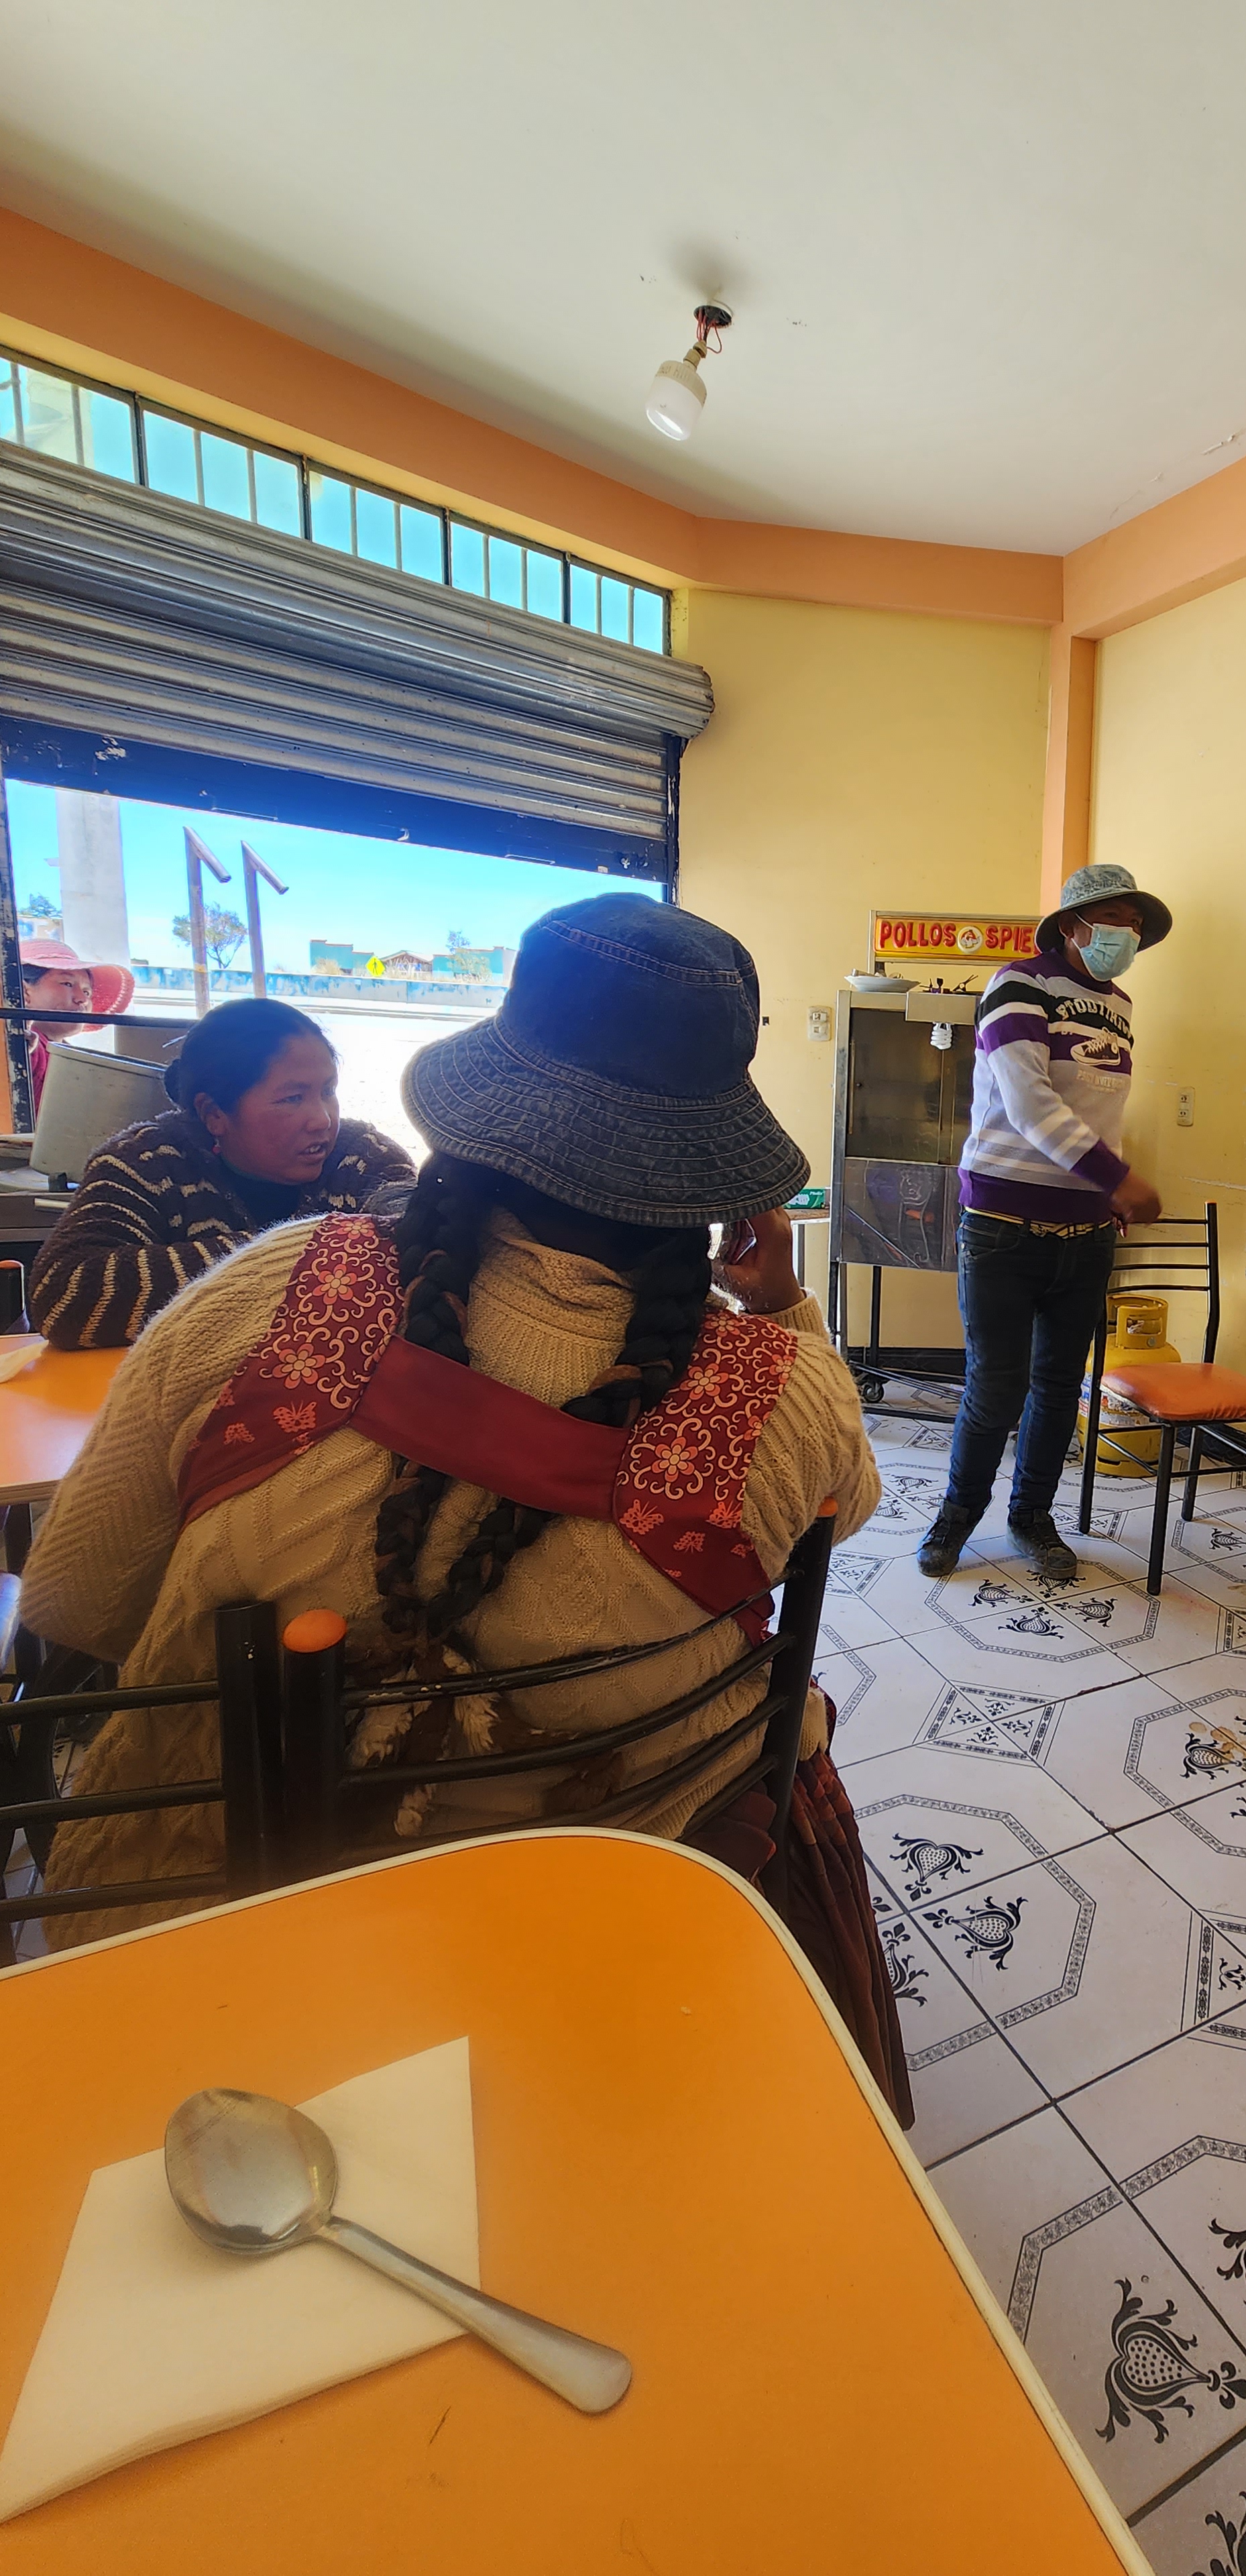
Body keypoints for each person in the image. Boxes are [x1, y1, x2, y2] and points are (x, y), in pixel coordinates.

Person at [21, 896, 909, 2116]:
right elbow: (841, 1510)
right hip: (615, 1943)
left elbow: (79, 1601)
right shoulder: (788, 1392)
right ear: (713, 1179)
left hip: (244, 1946)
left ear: (479, 1115)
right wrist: (784, 1312)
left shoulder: (270, 1289)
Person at [918, 862, 1170, 1585]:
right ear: (1072, 926)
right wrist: (1119, 1181)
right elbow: (1029, 1104)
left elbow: (1098, 1115)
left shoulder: (1120, 1004)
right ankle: (957, 1516)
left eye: (1136, 924)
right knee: (995, 1388)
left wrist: (1103, 1193)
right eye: (1115, 919)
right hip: (1002, 1225)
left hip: (1086, 1235)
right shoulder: (1018, 985)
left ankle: (1031, 1516)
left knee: (1059, 1388)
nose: (1128, 934)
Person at [27, 997, 412, 1348]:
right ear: (214, 1114)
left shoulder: (365, 1159)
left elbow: (418, 1254)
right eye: (293, 1098)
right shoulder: (147, 1163)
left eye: (328, 1090)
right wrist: (308, 1252)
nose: (322, 1120)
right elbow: (62, 1297)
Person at [17, 934, 135, 1114]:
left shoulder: (70, 1057)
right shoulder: (26, 1045)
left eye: (87, 992)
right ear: (25, 992)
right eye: (67, 984)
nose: (82, 999)